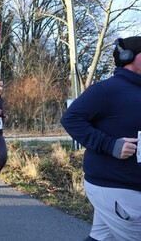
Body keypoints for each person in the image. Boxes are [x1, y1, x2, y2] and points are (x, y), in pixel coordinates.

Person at [61, 36, 141, 241]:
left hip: (127, 188)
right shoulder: (106, 90)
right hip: (116, 188)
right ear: (128, 57)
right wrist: (110, 144)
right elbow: (71, 119)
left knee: (101, 238)